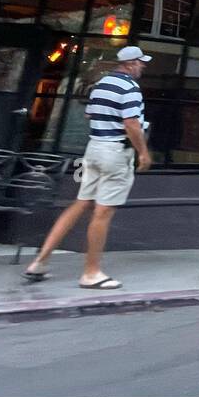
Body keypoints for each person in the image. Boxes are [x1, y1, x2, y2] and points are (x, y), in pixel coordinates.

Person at [24, 46, 154, 289]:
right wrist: (143, 153)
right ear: (129, 64)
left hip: (94, 148)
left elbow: (88, 115)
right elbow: (131, 123)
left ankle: (40, 261)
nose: (142, 66)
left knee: (82, 202)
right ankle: (91, 272)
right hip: (115, 151)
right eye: (140, 62)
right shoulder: (131, 88)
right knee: (102, 213)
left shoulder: (101, 85)